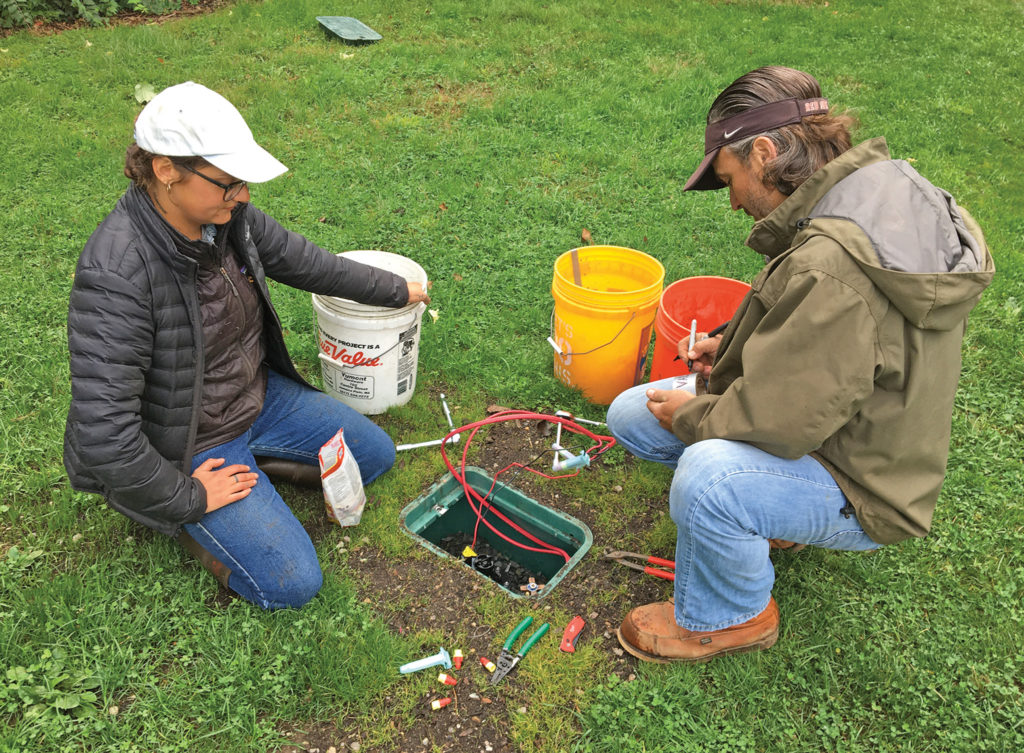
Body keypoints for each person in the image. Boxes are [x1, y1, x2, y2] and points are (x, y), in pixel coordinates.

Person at [607, 66, 994, 662]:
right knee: (633, 413)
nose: (732, 199)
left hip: (864, 482)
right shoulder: (869, 190)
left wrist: (693, 416)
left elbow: (779, 418)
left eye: (730, 178)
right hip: (842, 426)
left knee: (709, 477)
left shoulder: (834, 264)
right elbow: (819, 339)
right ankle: (771, 517)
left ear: (763, 153)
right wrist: (727, 342)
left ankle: (731, 616)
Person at [64, 82, 430, 610]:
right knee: (290, 583)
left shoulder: (227, 220)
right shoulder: (116, 274)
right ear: (166, 171)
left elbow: (309, 263)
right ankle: (192, 522)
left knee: (374, 456)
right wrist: (187, 496)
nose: (243, 196)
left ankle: (254, 465)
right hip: (190, 437)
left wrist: (396, 291)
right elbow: (104, 438)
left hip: (255, 397)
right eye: (228, 183)